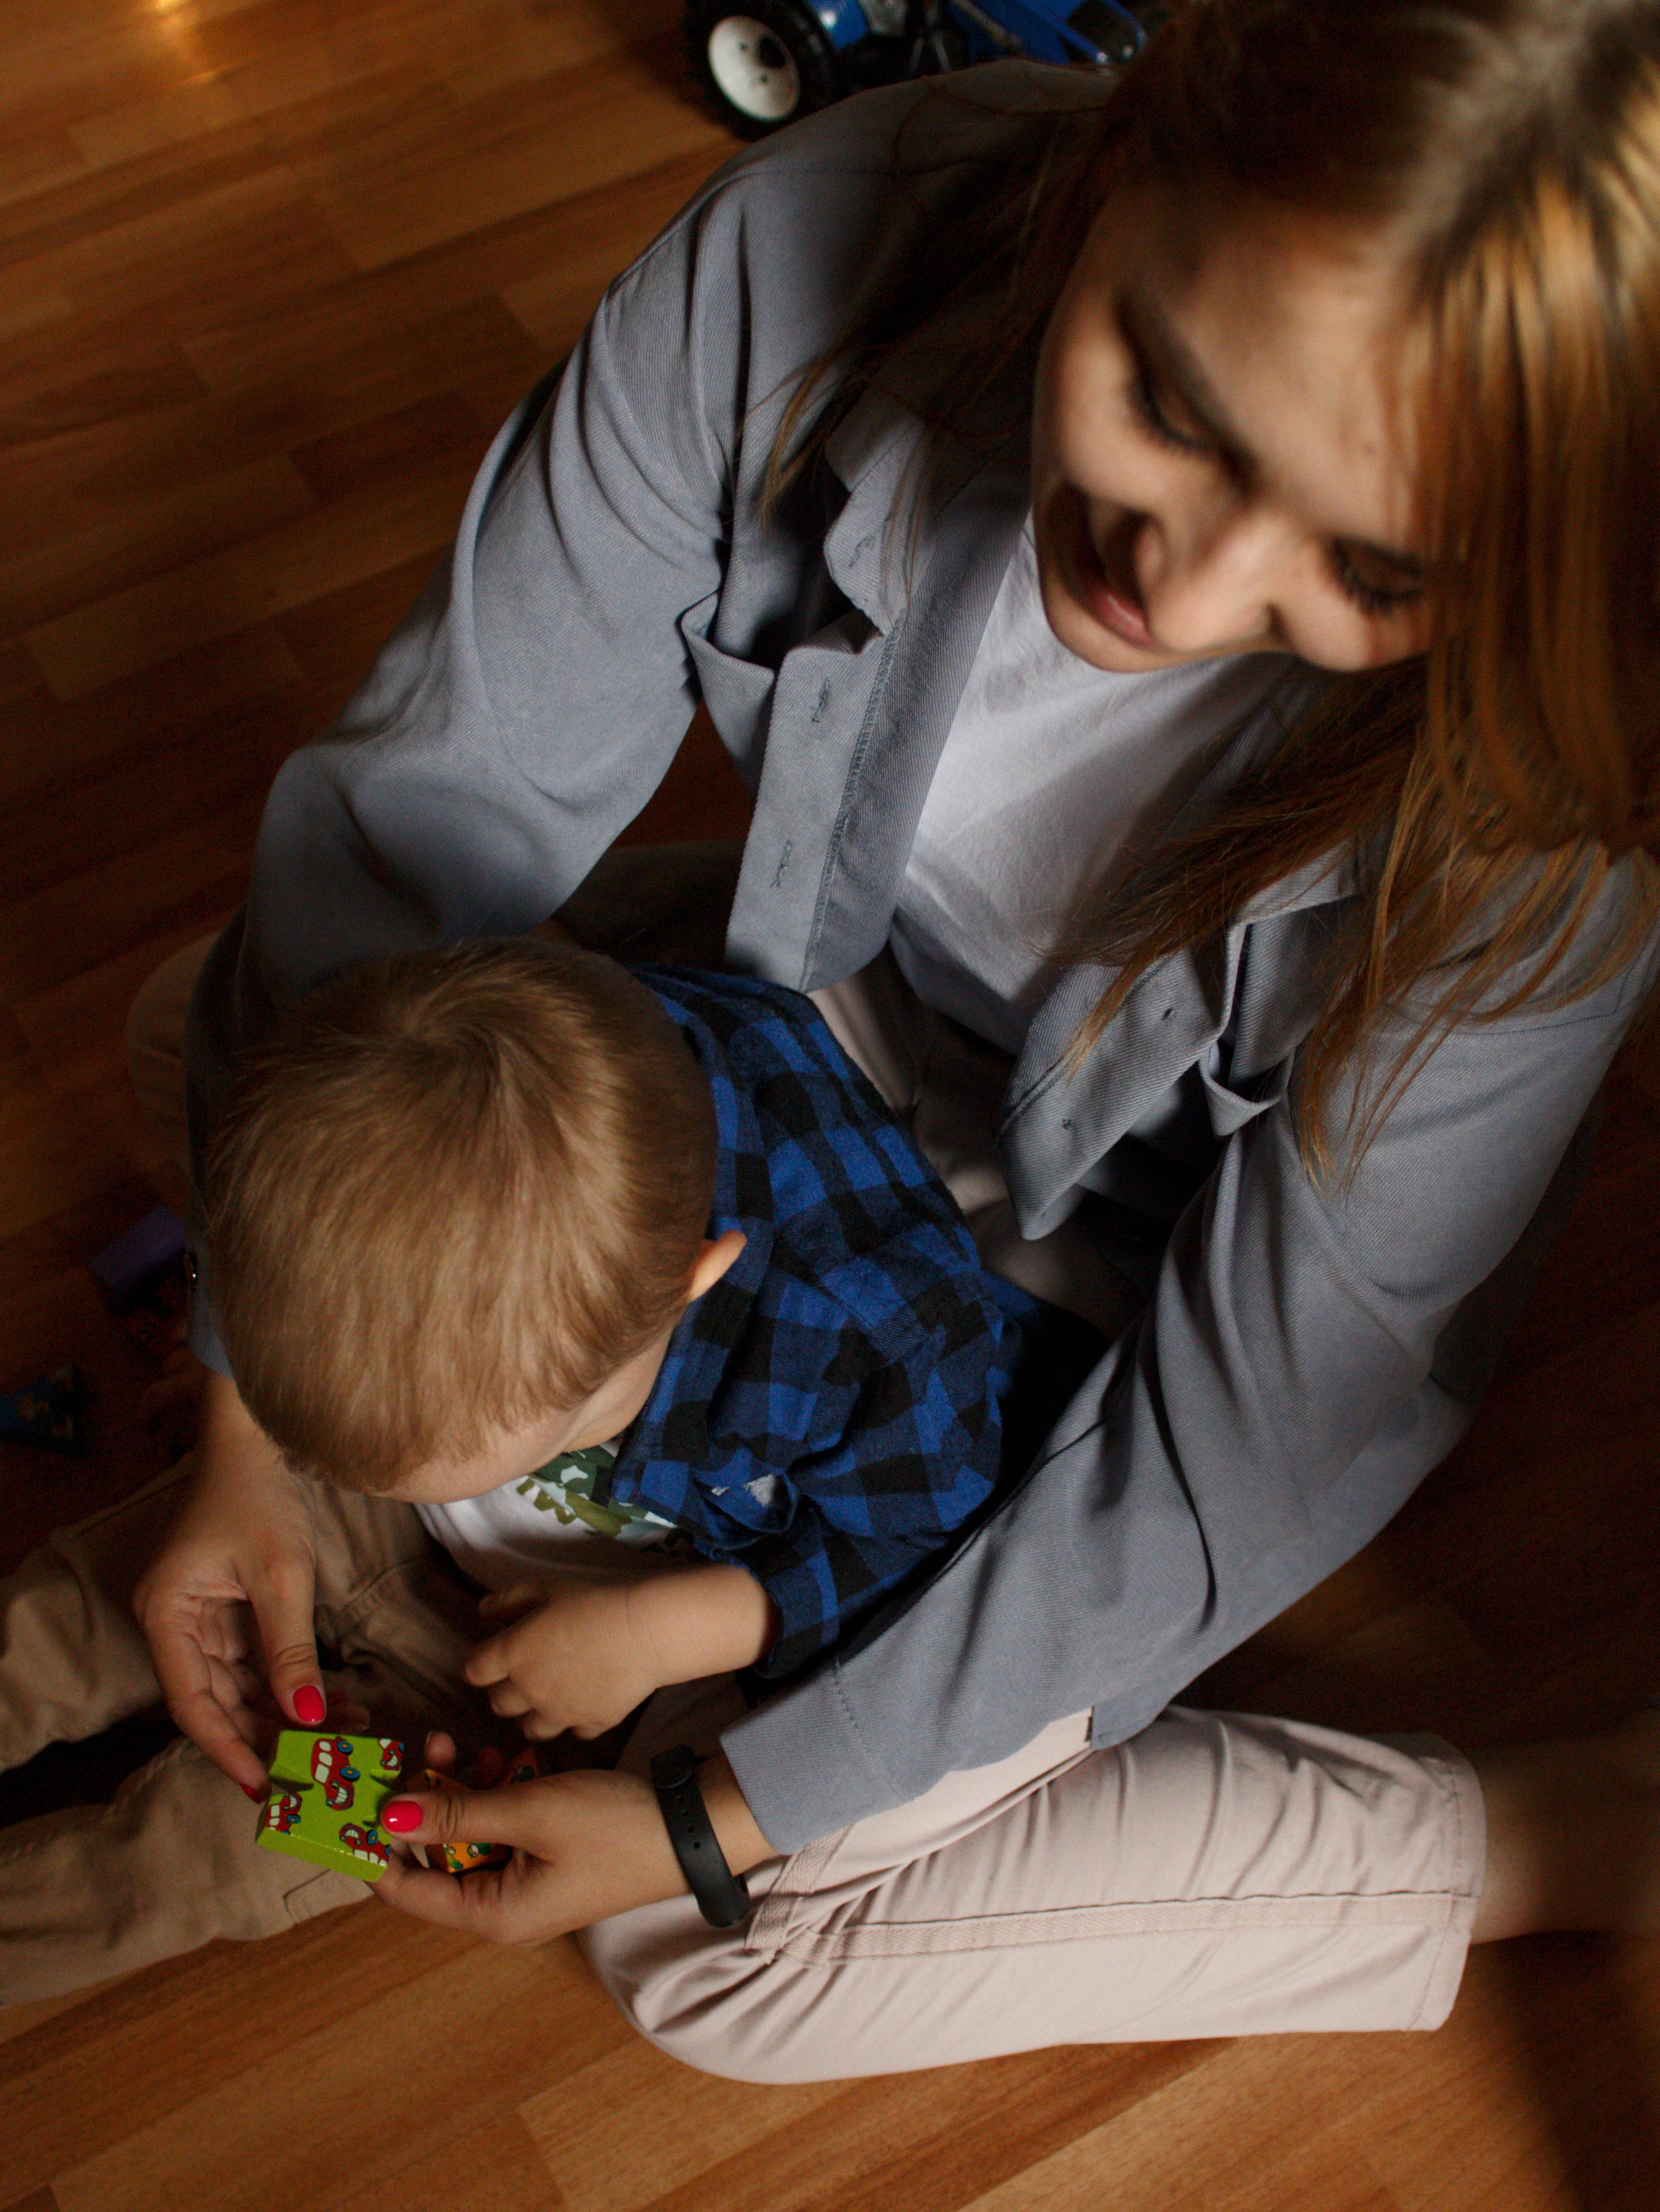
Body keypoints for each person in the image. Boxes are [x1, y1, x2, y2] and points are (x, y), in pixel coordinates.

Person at [124, 0, 1660, 2067]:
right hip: (794, 1019)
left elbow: (1234, 1439)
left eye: (1375, 567)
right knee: (199, 1039)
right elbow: (427, 812)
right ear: (1128, 149)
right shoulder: (810, 242)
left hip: (1133, 1266)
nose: (1186, 588)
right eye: (1174, 401)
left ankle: (1572, 1834)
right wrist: (247, 1396)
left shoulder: (1554, 806)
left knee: (721, 1969)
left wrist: (712, 1810)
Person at [0, 934, 1098, 2001]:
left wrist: (657, 1636)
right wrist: (247, 1435)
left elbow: (933, 1559)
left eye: (458, 1456)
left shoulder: (868, 1346)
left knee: (190, 1863)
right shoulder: (495, 1058)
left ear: (691, 1281)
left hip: (545, 1695)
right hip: (360, 1509)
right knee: (70, 1618)